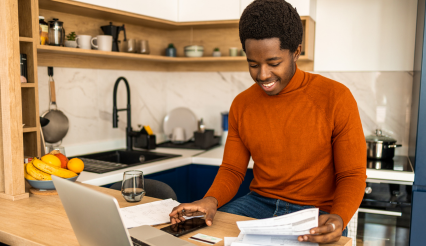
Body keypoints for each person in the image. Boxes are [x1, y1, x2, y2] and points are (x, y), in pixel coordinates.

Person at [169, 0, 367, 243]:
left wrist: (339, 217)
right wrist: (210, 200)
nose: (262, 75)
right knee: (197, 238)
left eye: (274, 64)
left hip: (316, 213)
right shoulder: (242, 104)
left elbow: (352, 175)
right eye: (253, 64)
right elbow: (232, 169)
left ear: (296, 52)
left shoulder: (336, 97)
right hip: (258, 205)